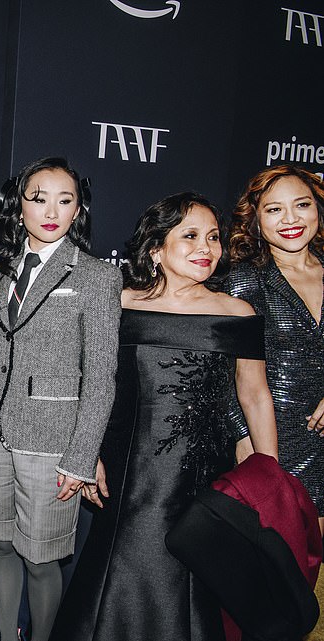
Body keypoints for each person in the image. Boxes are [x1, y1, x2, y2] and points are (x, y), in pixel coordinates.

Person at [51, 192, 278, 641]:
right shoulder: (120, 305)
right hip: (129, 470)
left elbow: (254, 396)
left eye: (213, 237)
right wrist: (87, 452)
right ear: (156, 249)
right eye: (190, 236)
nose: (206, 248)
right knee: (120, 562)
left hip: (203, 475)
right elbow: (94, 384)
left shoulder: (237, 314)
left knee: (192, 574)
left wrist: (267, 478)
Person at [0, 157, 122, 641]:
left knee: (40, 557)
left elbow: (101, 375)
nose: (51, 210)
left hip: (52, 441)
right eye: (38, 198)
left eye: (65, 199)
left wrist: (81, 459)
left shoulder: (97, 277)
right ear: (19, 206)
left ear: (78, 210)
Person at [225, 165, 324, 532]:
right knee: (284, 573)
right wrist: (241, 434)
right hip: (272, 442)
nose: (291, 219)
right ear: (256, 219)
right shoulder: (244, 279)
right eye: (274, 209)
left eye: (302, 205)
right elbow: (223, 372)